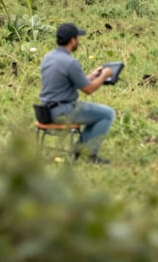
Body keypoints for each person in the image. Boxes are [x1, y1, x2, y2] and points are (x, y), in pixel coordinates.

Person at [39, 23, 115, 164]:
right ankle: (89, 155)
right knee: (107, 114)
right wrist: (104, 75)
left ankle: (79, 150)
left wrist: (91, 76)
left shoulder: (48, 57)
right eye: (77, 38)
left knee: (96, 115)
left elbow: (68, 82)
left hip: (46, 111)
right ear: (72, 40)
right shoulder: (70, 62)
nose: (78, 41)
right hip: (64, 112)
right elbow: (88, 89)